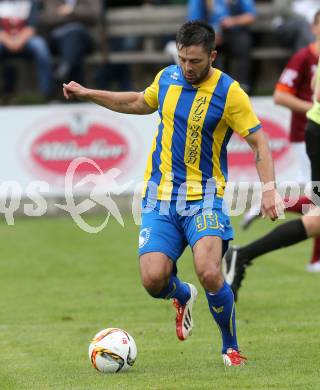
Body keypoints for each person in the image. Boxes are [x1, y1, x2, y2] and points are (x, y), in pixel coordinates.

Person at [63, 20, 282, 366]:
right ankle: (183, 294)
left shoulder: (229, 92)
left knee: (209, 270)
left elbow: (259, 142)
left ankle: (230, 347)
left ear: (212, 55)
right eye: (182, 59)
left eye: (195, 61)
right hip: (160, 197)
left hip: (204, 198)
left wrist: (269, 189)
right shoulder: (168, 78)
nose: (187, 67)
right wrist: (89, 93)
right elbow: (137, 102)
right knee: (153, 280)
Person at [242, 9, 320, 272]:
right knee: (316, 205)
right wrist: (310, 105)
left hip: (312, 131)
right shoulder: (304, 56)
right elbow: (282, 96)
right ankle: (315, 260)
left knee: (316, 205)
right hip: (307, 133)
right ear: (314, 27)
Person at [187, 0, 256, 92]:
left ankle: (242, 87)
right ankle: (215, 87)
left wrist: (232, 21)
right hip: (209, 34)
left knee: (243, 43)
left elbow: (251, 16)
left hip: (234, 32)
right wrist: (210, 34)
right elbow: (194, 22)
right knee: (208, 48)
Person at [0, 0, 53, 100]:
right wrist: (10, 42)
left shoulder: (32, 3)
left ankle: (47, 93)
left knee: (40, 46)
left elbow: (32, 27)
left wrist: (18, 41)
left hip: (26, 40)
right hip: (3, 40)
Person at [40, 0, 101, 85]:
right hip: (58, 41)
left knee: (75, 32)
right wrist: (76, 16)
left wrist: (72, 10)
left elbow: (95, 14)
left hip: (85, 40)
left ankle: (63, 71)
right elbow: (47, 18)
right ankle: (65, 69)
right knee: (74, 42)